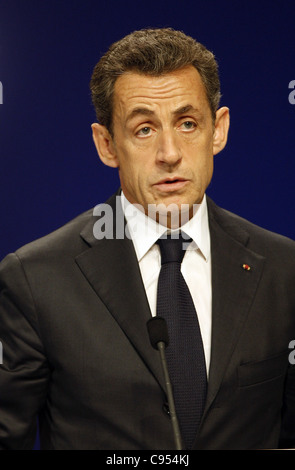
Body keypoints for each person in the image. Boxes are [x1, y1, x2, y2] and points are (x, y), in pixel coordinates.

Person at [0, 27, 294, 451]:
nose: (170, 152)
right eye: (144, 129)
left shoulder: (284, 271)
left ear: (219, 130)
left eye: (188, 123)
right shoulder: (36, 279)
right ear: (106, 145)